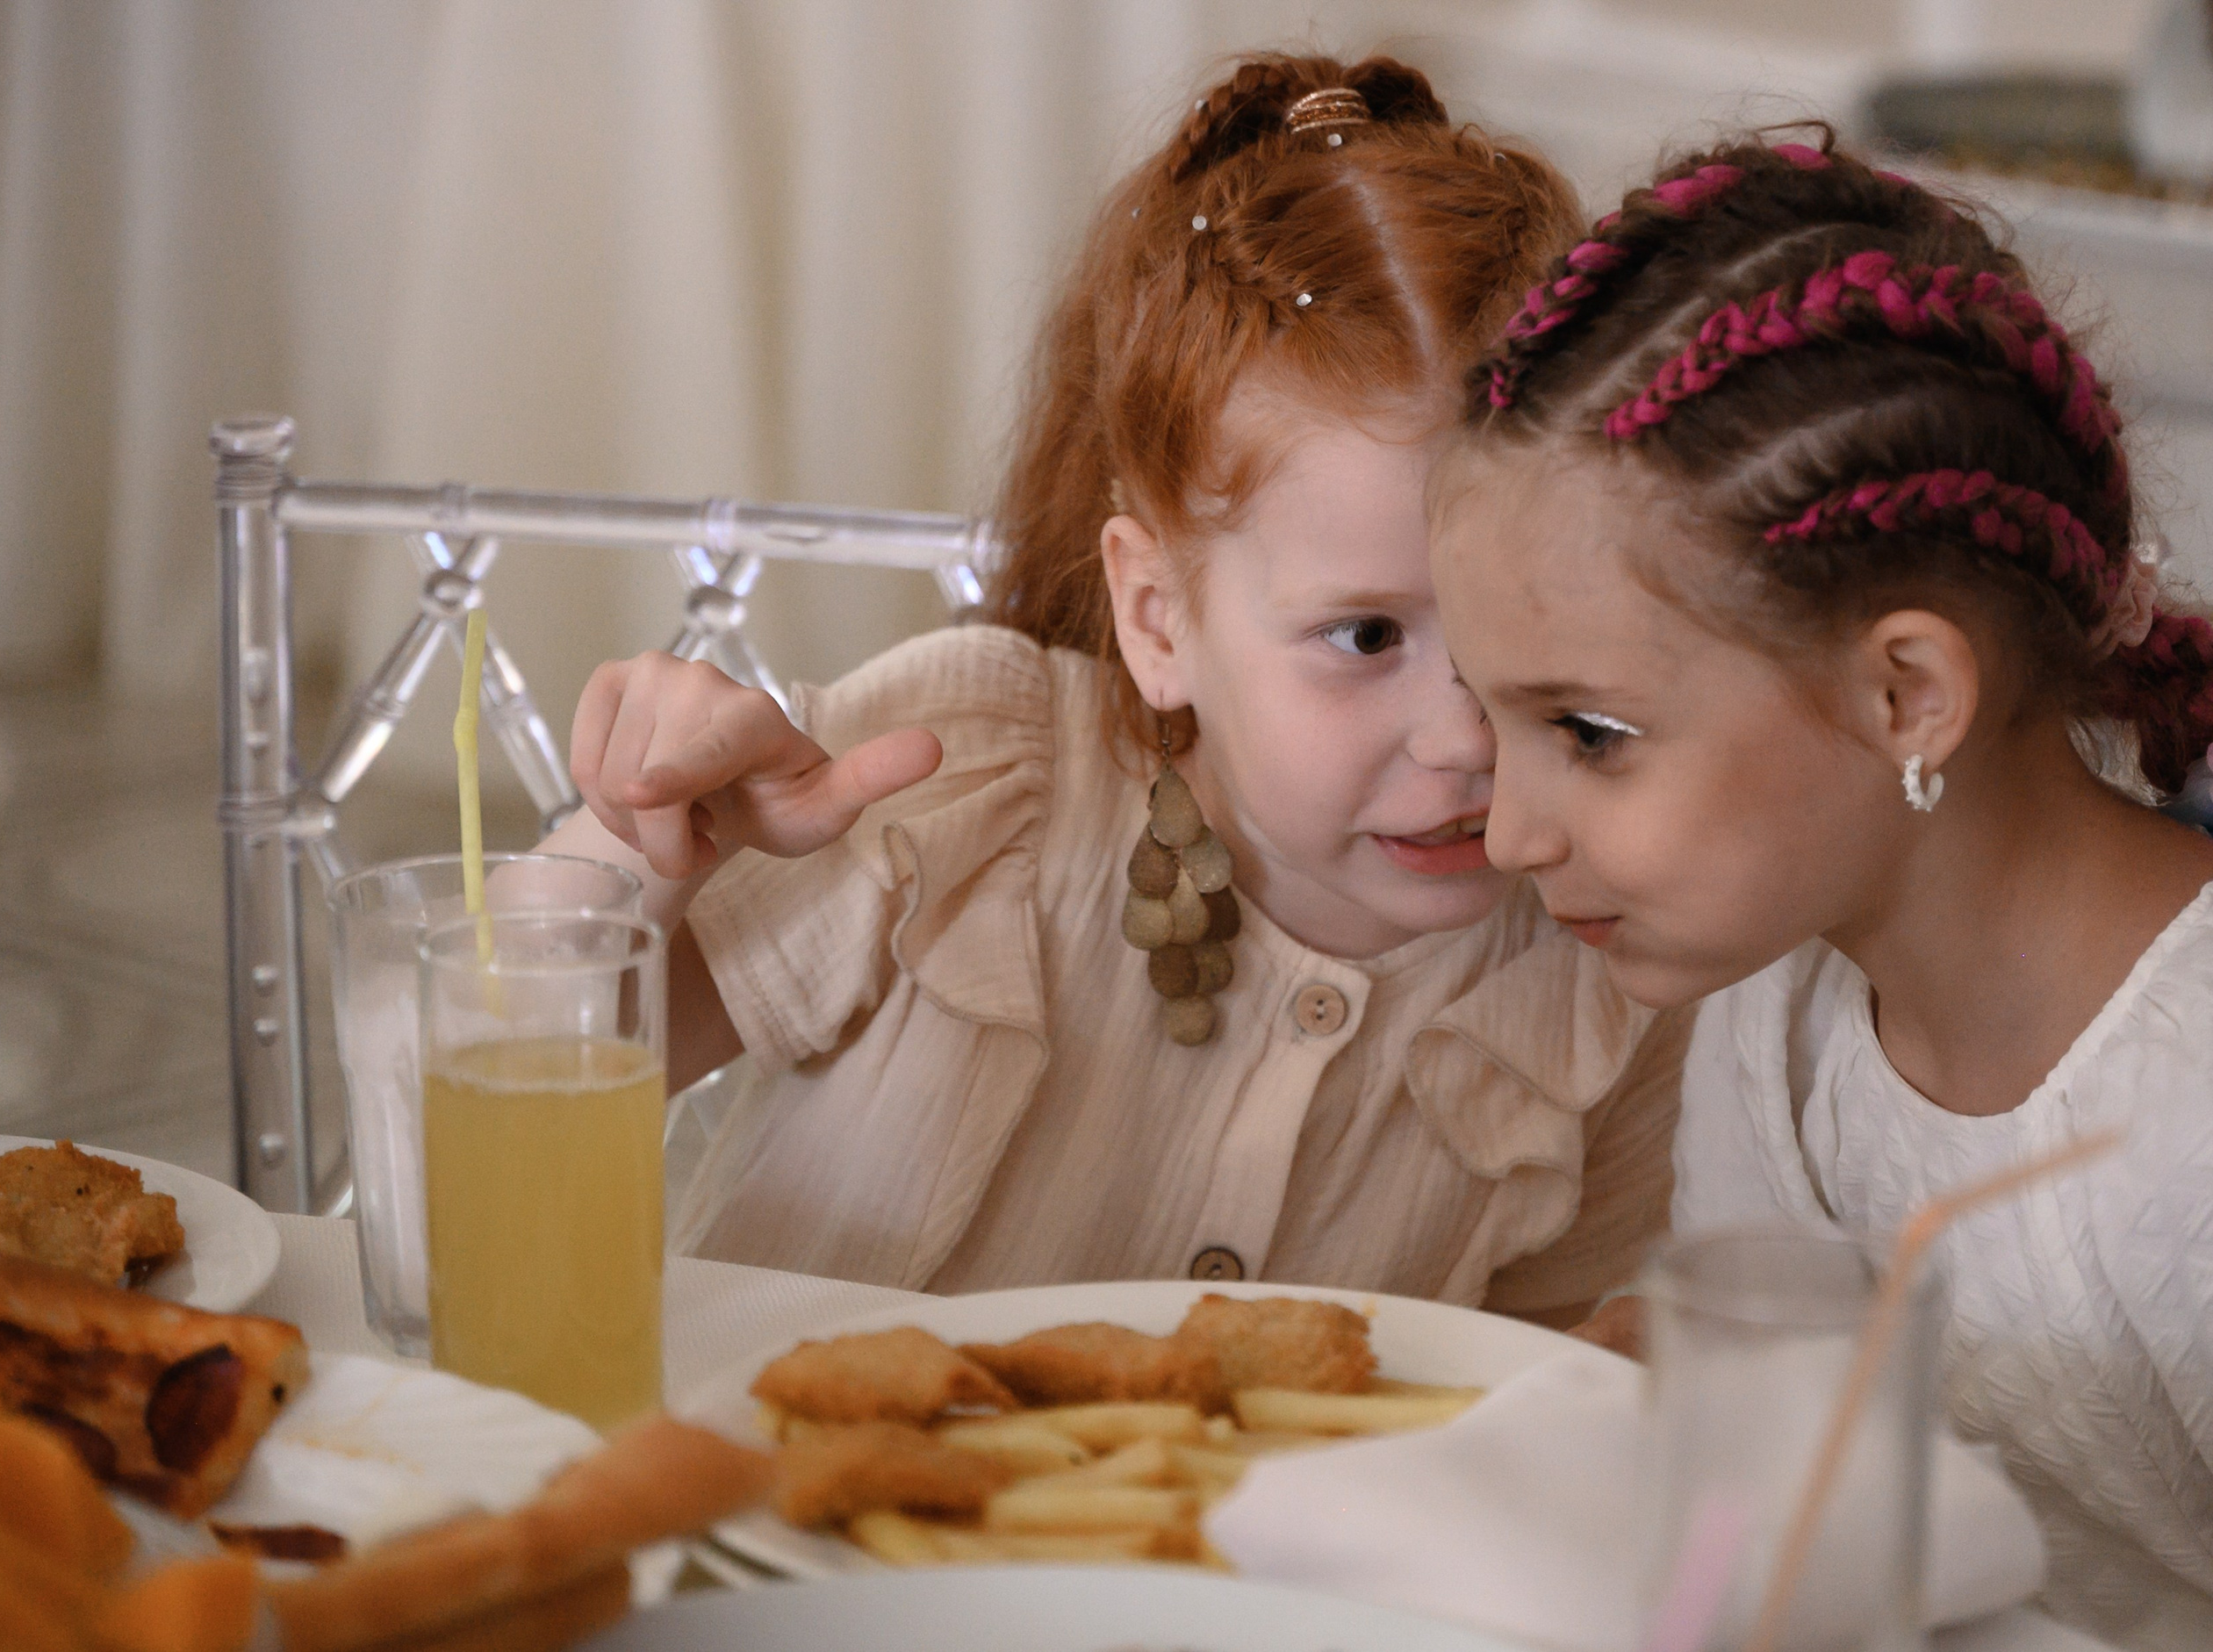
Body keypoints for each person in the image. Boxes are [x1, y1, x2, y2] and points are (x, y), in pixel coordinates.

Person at [543, 52, 1691, 1316]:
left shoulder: (1609, 978)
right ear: (1158, 616)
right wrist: (636, 853)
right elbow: (499, 1079)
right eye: (1366, 637)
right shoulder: (961, 783)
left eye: (1522, 634)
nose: (1465, 737)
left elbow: (1546, 1412)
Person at [1431, 130, 2213, 1645]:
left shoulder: (2189, 1123)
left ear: (1909, 694)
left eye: (1589, 735)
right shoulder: (1778, 1006)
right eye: (1494, 717)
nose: (1510, 830)